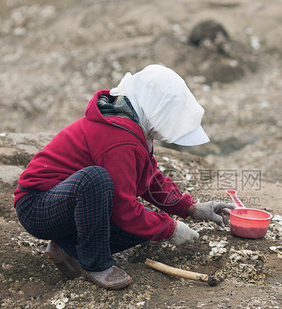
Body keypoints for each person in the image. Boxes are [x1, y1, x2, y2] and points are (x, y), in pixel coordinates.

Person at [13, 64, 234, 290]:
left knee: (143, 229)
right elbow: (123, 207)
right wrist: (171, 229)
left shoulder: (132, 125)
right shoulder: (118, 138)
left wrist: (190, 208)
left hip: (68, 205)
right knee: (96, 180)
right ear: (156, 108)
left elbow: (149, 179)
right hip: (38, 206)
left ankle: (68, 249)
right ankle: (95, 264)